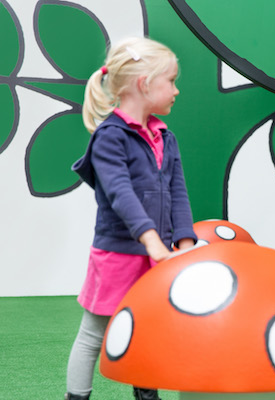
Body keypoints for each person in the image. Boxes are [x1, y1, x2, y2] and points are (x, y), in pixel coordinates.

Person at [65, 37, 197, 400]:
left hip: (156, 258)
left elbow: (178, 192)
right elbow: (119, 193)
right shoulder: (110, 137)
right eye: (170, 81)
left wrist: (184, 242)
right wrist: (152, 239)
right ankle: (76, 397)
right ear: (144, 84)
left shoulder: (165, 137)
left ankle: (146, 396)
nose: (176, 90)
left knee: (147, 331)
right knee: (93, 334)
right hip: (117, 255)